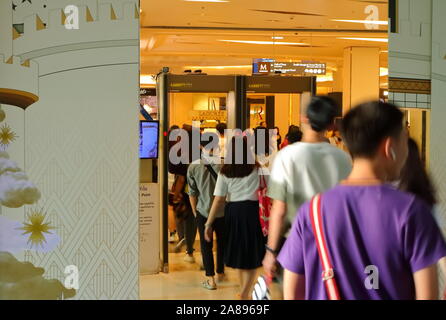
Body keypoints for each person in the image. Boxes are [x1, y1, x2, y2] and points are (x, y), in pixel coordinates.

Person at [278, 101, 446, 299]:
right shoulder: (411, 210)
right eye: (404, 140)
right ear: (389, 147)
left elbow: (292, 291)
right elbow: (427, 295)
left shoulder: (312, 210)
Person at [263, 96, 352, 279]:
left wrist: (271, 251)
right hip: (333, 243)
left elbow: (279, 210)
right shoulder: (343, 159)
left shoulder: (286, 157)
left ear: (304, 118)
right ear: (331, 124)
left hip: (297, 242)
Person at [205, 136, 266, 300]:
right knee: (251, 255)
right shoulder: (257, 168)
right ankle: (245, 291)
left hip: (234, 212)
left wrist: (208, 223)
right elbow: (267, 189)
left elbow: (218, 199)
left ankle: (244, 292)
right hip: (253, 212)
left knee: (239, 254)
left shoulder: (225, 171)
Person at [187, 134, 226, 290]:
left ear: (200, 147)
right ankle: (221, 271)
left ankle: (211, 279)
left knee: (206, 245)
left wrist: (195, 212)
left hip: (203, 211)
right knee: (222, 242)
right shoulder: (224, 164)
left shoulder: (193, 166)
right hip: (223, 210)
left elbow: (192, 193)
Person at [168, 124, 198, 263]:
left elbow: (180, 177)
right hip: (198, 191)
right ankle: (188, 246)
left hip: (186, 192)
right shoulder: (198, 151)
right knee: (193, 220)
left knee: (185, 218)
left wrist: (176, 193)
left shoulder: (181, 152)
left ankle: (187, 246)